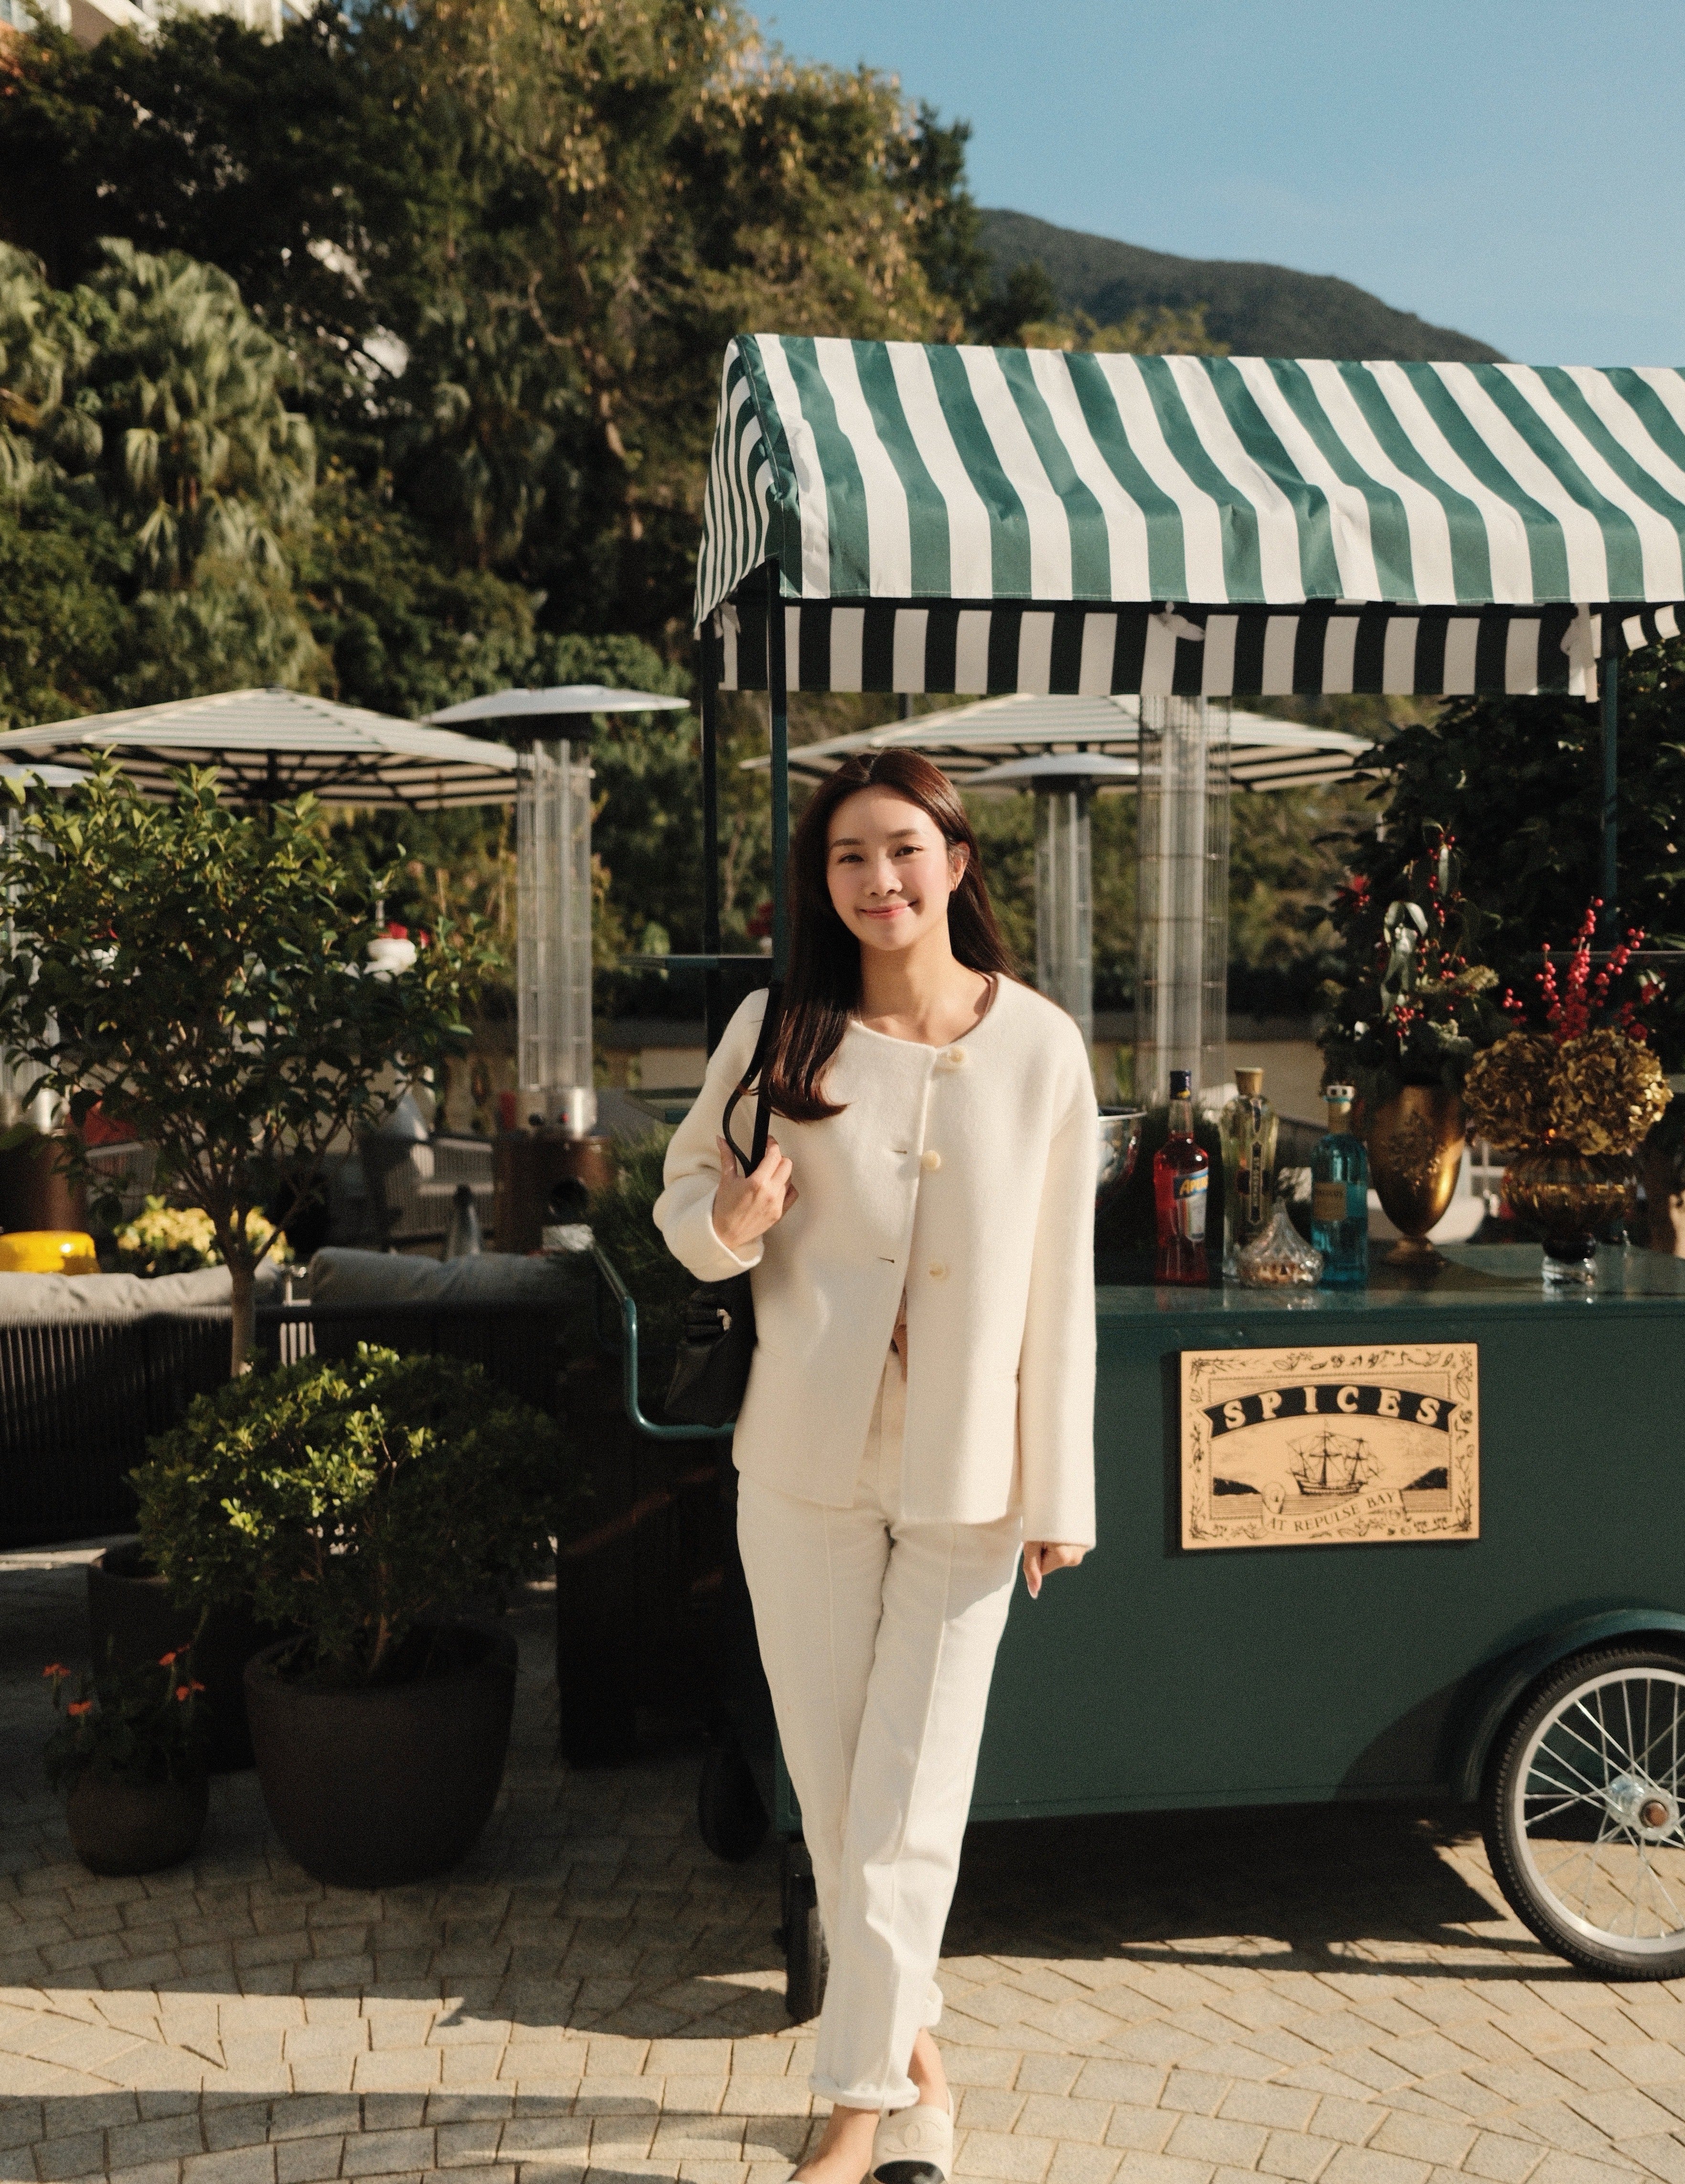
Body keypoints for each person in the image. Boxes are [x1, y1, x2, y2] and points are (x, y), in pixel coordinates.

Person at [655, 750, 1098, 2184]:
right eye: (849, 857)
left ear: (957, 862)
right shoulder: (780, 1030)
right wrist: (728, 1219)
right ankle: (924, 2068)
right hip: (799, 1465)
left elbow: (1063, 1289)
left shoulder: (1039, 1047)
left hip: (972, 1476)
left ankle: (859, 2117)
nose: (880, 879)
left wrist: (1062, 1490)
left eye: (904, 849)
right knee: (843, 1795)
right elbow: (677, 1206)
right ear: (823, 882)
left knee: (911, 1803)